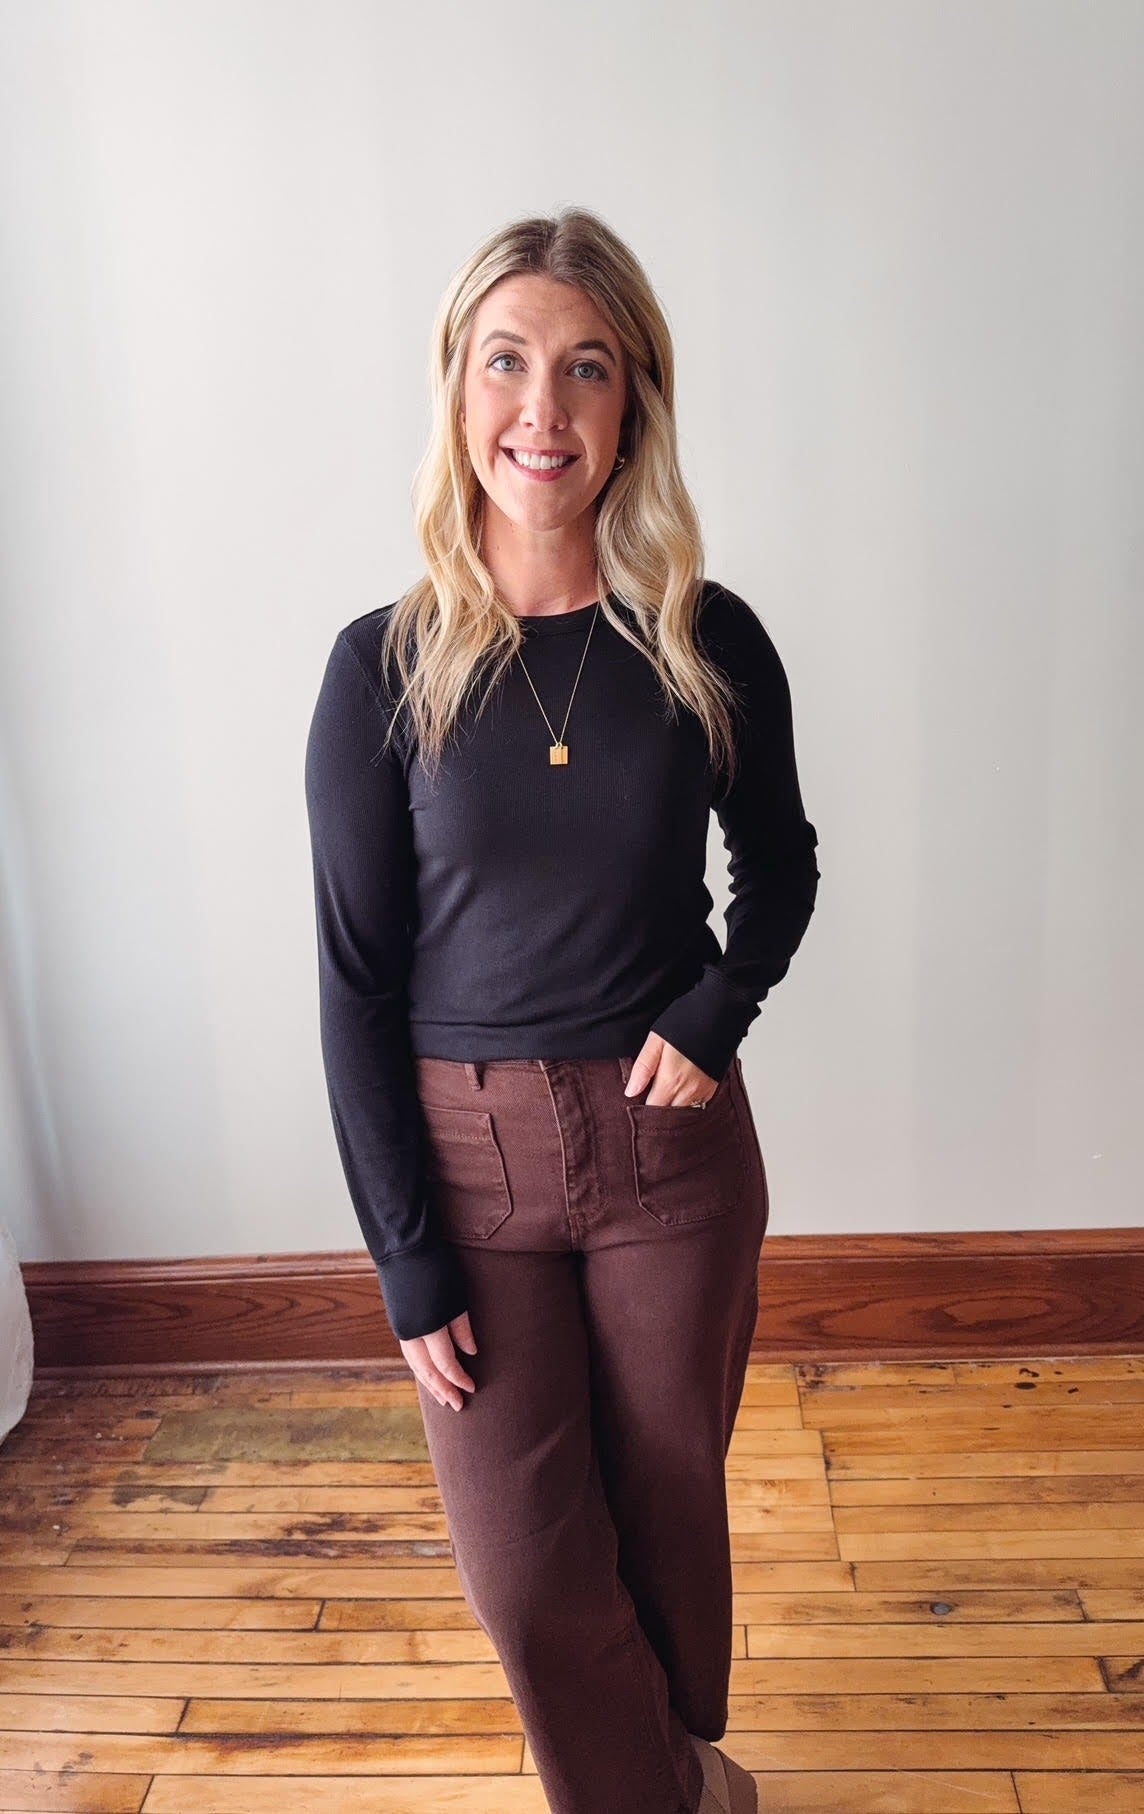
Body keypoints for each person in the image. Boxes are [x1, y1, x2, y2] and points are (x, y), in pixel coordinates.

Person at [304, 206, 820, 1814]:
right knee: (531, 1570)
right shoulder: (378, 669)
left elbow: (783, 864)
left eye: (587, 369)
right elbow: (354, 980)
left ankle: (667, 1776)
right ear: (458, 391)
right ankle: (682, 1788)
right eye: (509, 361)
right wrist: (405, 1253)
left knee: (661, 1515)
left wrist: (719, 1003)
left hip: (674, 1157)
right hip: (474, 1170)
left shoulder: (703, 642)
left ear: (633, 405)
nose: (545, 407)